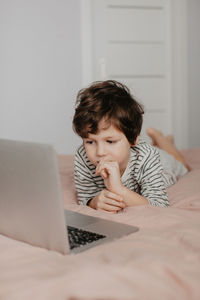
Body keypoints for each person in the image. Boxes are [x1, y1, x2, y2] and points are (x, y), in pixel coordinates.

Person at [72, 80, 189, 212]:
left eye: (110, 141)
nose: (100, 152)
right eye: (90, 142)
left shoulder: (147, 157)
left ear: (133, 139)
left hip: (163, 163)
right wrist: (94, 202)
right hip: (145, 152)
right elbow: (85, 197)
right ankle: (159, 141)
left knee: (184, 166)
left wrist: (120, 190)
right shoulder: (83, 157)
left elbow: (159, 205)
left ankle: (163, 140)